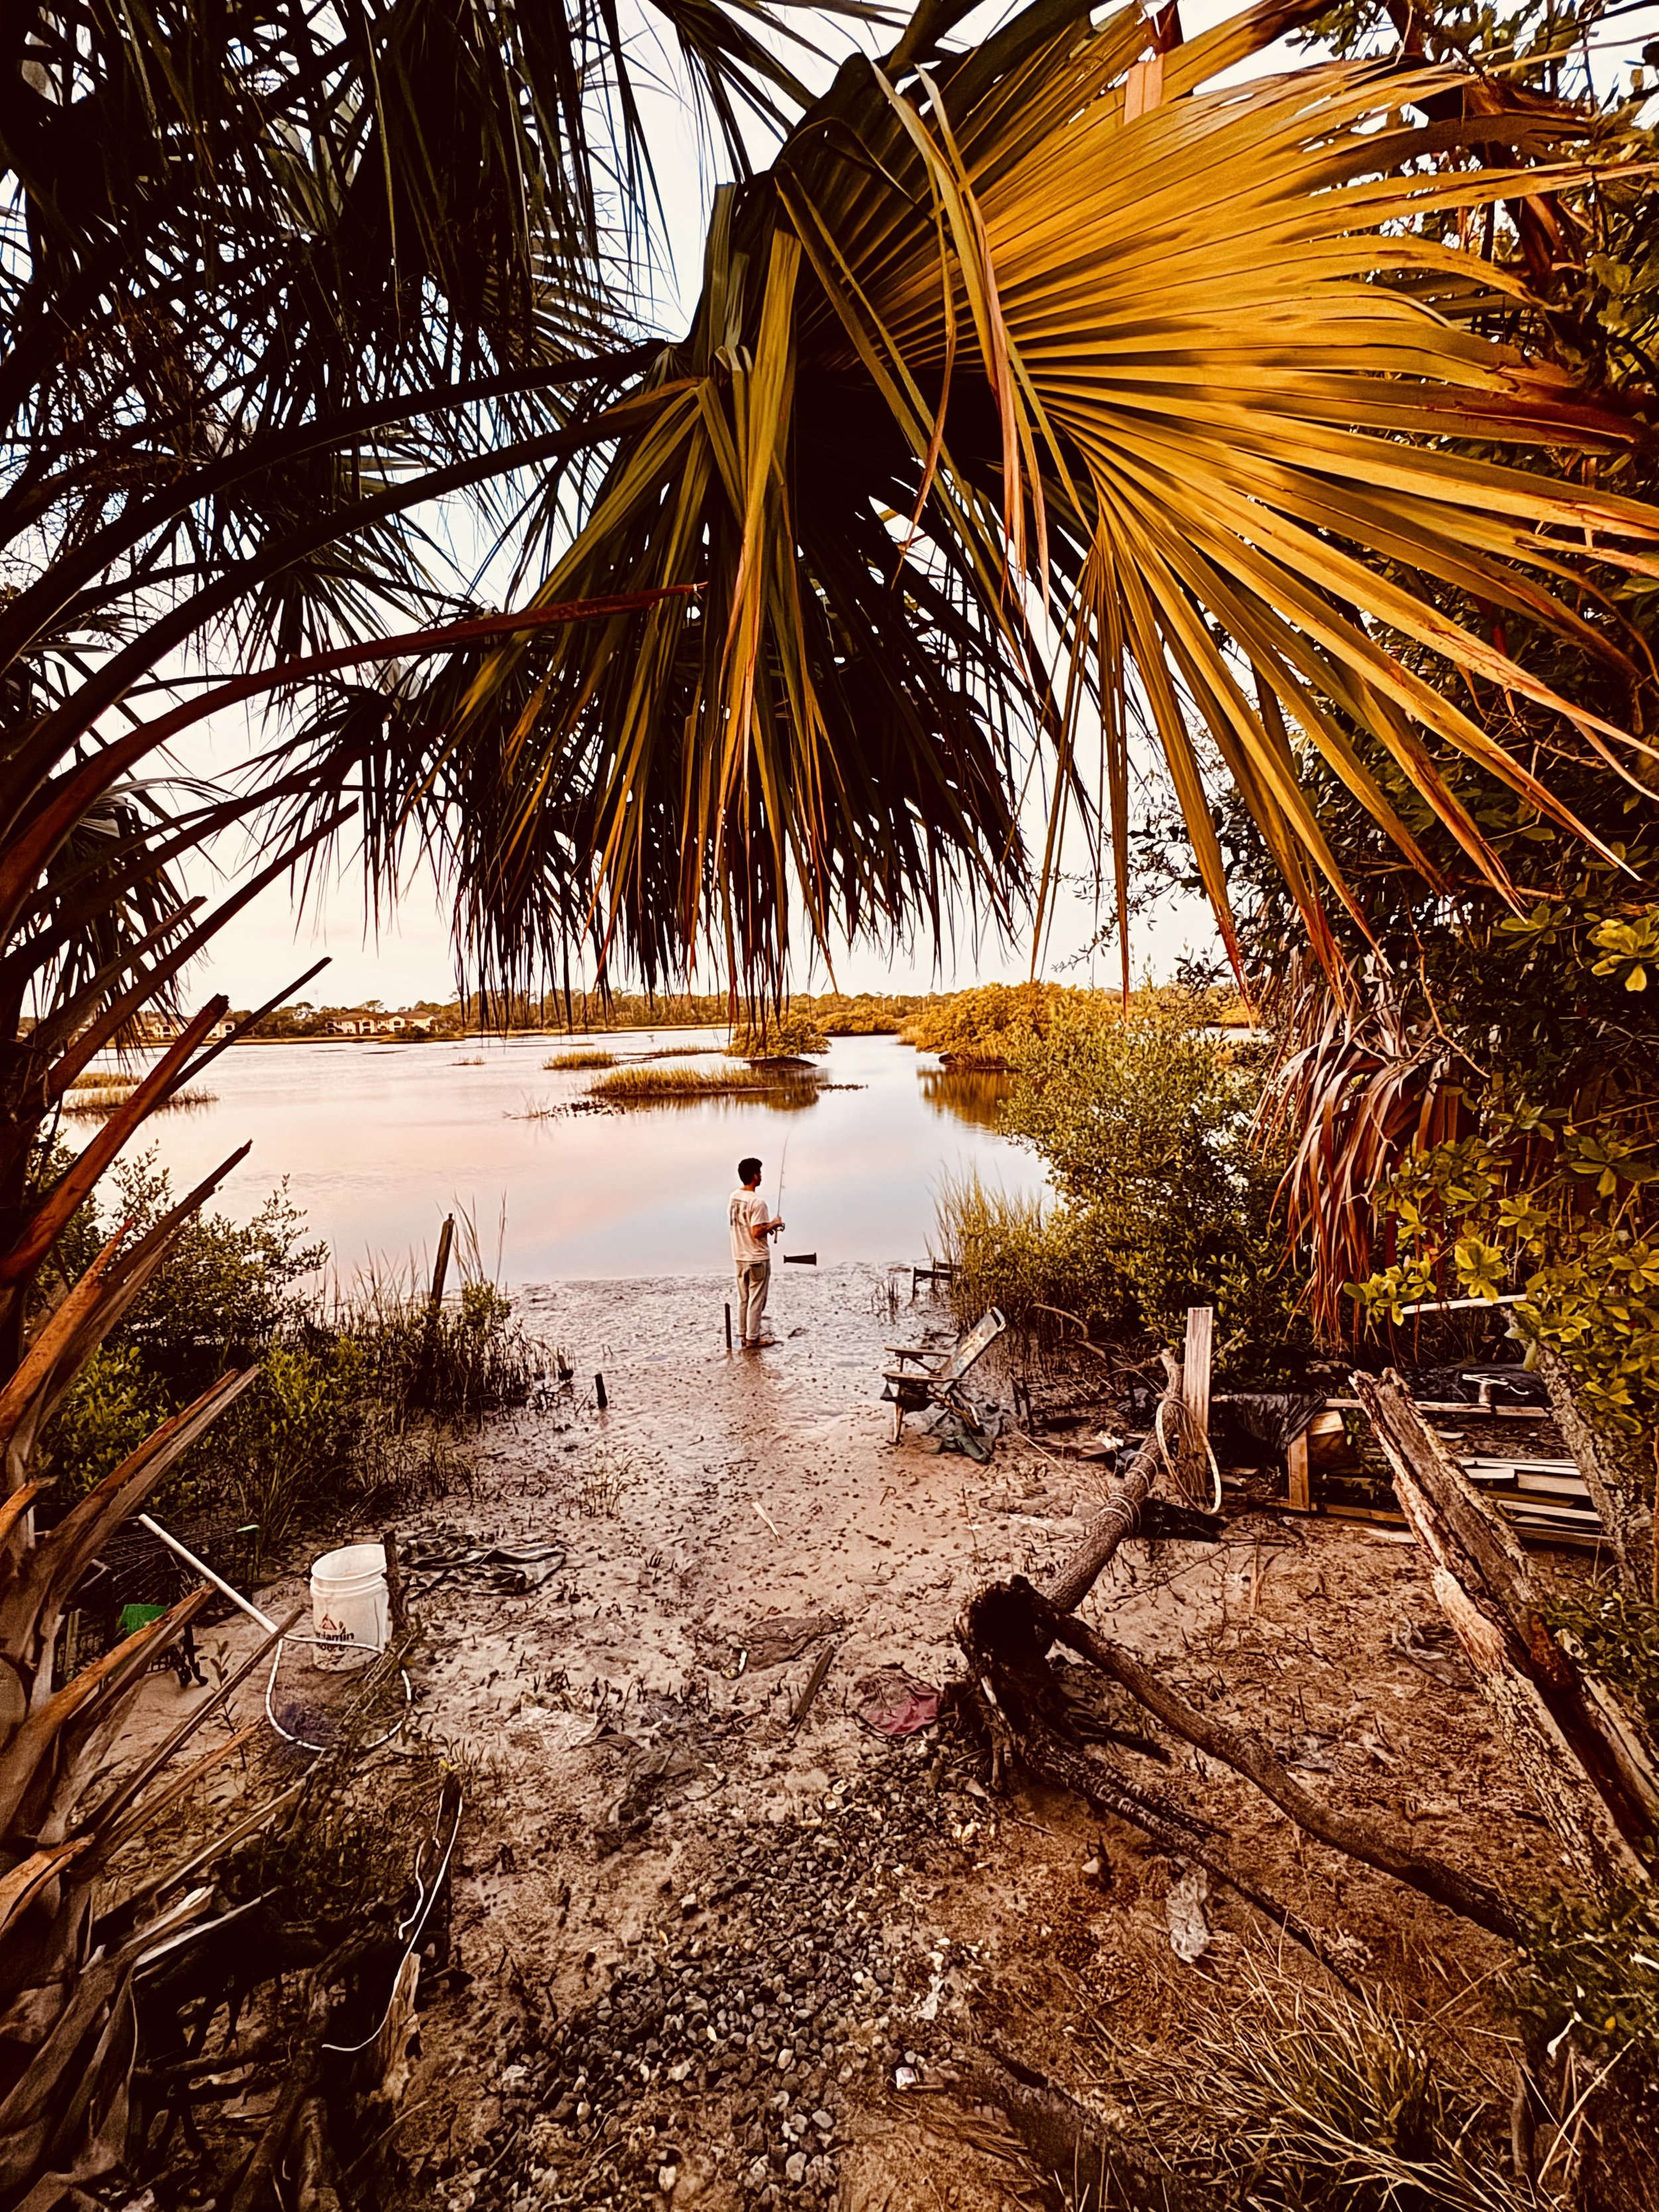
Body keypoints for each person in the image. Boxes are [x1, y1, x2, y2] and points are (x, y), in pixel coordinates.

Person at [729, 1155, 783, 1349]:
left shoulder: (734, 1197)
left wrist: (768, 1226)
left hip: (739, 1255)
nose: (761, 1176)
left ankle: (743, 1334)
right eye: (759, 1173)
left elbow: (747, 1225)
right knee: (757, 1299)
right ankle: (753, 1338)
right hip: (756, 1258)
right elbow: (756, 1231)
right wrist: (774, 1224)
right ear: (754, 1176)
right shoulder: (758, 1203)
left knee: (743, 1298)